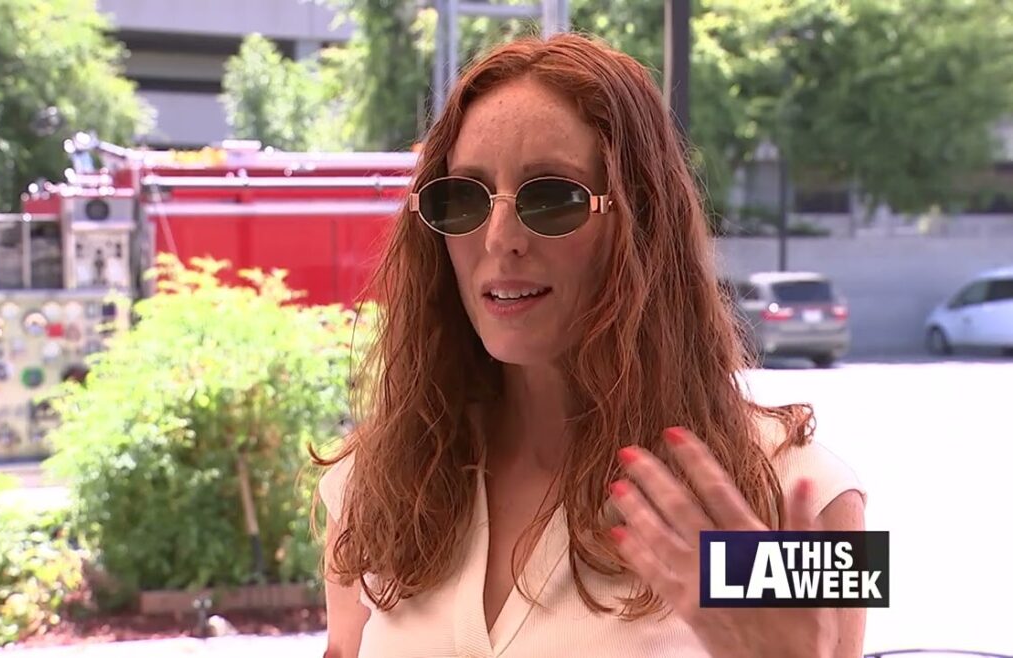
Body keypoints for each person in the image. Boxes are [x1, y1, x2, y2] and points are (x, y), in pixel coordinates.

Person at [314, 32, 867, 658]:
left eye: (552, 198)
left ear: (643, 222)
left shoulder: (804, 495)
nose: (499, 238)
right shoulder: (374, 484)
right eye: (463, 198)